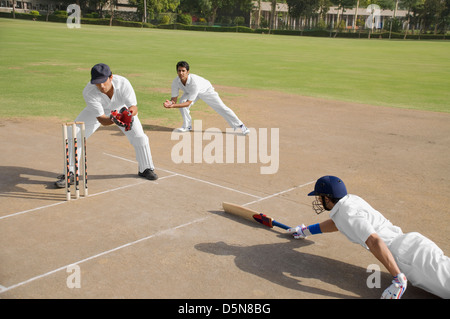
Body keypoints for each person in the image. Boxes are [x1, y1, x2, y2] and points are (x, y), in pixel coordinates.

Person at [287, 175, 450, 299]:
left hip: (408, 258)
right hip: (414, 245)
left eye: (319, 196)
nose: (318, 200)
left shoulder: (347, 213)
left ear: (327, 198)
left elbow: (374, 241)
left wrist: (398, 278)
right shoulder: (350, 202)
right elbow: (339, 223)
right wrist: (306, 231)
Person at [55, 63, 158, 188]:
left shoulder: (123, 83)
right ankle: (70, 172)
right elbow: (102, 120)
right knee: (74, 132)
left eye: (103, 81)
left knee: (140, 137)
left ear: (111, 77)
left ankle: (145, 168)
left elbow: (134, 107)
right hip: (97, 113)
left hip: (122, 110)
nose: (101, 86)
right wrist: (115, 119)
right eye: (97, 83)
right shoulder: (89, 91)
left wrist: (129, 115)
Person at [163, 61, 250, 135]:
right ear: (177, 71)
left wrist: (173, 106)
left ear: (188, 71)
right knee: (182, 101)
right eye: (179, 71)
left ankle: (240, 126)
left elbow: (188, 103)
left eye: (183, 71)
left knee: (221, 108)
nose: (181, 73)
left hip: (206, 91)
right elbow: (174, 99)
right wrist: (170, 103)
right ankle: (187, 126)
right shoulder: (176, 81)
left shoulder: (194, 82)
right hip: (191, 92)